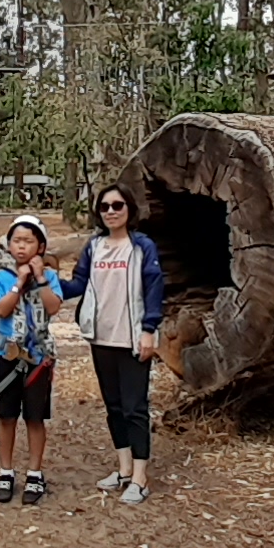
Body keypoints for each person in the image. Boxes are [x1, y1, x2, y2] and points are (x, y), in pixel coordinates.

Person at [62, 182, 166, 502]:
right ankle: (123, 469)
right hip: (101, 338)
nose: (110, 212)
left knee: (135, 408)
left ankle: (140, 477)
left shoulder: (141, 246)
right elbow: (79, 283)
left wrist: (149, 329)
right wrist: (45, 283)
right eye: (104, 207)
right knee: (114, 407)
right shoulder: (95, 247)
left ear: (129, 209)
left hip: (133, 338)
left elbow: (154, 287)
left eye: (117, 206)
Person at [0, 214, 64, 505]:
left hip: (39, 356)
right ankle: (5, 470)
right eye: (16, 241)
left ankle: (35, 472)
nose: (21, 246)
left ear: (40, 246)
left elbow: (53, 307)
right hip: (6, 352)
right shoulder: (0, 276)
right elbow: (1, 310)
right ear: (8, 245)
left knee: (35, 416)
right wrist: (19, 282)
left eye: (28, 241)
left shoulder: (50, 277)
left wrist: (40, 278)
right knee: (7, 415)